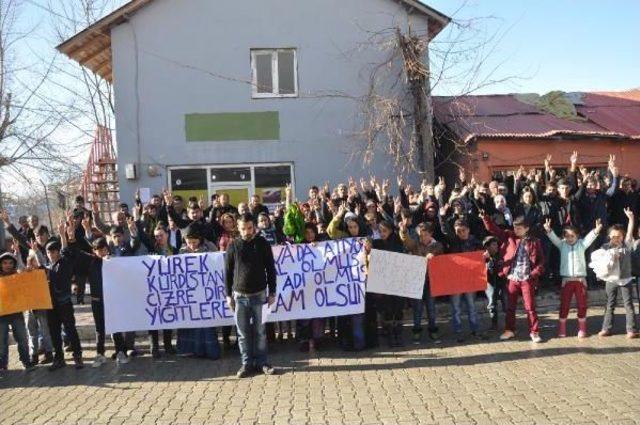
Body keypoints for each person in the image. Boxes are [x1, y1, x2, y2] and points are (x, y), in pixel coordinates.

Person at [224, 213, 277, 378]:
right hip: (239, 296)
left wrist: (272, 291)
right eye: (243, 229)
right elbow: (227, 272)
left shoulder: (262, 244)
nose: (246, 231)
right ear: (237, 229)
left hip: (260, 295)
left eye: (249, 228)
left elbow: (271, 269)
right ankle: (246, 363)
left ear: (254, 227)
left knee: (260, 332)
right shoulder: (233, 246)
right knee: (243, 333)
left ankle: (262, 363)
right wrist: (228, 295)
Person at [482, 214, 545, 343]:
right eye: (515, 227)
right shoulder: (509, 236)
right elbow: (494, 230)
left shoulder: (535, 242)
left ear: (526, 228)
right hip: (512, 278)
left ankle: (534, 332)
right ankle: (510, 330)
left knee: (530, 307)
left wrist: (533, 274)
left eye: (519, 228)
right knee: (510, 307)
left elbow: (541, 261)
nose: (516, 230)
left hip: (527, 279)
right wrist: (486, 218)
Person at [544, 218, 602, 338]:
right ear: (564, 237)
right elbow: (554, 239)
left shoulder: (582, 244)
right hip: (567, 280)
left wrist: (596, 230)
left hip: (580, 280)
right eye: (567, 236)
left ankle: (582, 329)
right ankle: (562, 328)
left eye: (572, 236)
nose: (570, 238)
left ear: (577, 236)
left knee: (582, 305)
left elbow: (589, 239)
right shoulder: (562, 245)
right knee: (564, 305)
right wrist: (549, 230)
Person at [591, 208, 639, 338]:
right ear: (609, 237)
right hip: (611, 280)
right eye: (613, 236)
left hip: (625, 280)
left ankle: (631, 330)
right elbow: (598, 261)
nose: (616, 238)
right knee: (609, 304)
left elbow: (630, 232)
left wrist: (631, 219)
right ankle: (606, 328)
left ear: (623, 237)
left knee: (628, 305)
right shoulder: (605, 247)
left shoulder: (627, 244)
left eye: (618, 236)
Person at [176, 225, 221, 360]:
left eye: (194, 242)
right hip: (190, 294)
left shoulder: (210, 247)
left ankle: (208, 350)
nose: (192, 246)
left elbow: (217, 264)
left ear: (200, 239)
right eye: (189, 242)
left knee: (206, 324)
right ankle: (190, 350)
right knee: (191, 323)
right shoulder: (182, 251)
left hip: (206, 292)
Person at [439, 207, 483, 342]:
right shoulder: (453, 240)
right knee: (456, 308)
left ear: (468, 230)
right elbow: (445, 230)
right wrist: (442, 216)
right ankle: (458, 330)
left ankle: (475, 330)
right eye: (458, 231)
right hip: (455, 281)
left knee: (471, 306)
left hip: (469, 280)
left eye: (463, 230)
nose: (461, 233)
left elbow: (480, 257)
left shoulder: (475, 242)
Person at [46, 219, 83, 370]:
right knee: (54, 333)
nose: (51, 254)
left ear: (58, 252)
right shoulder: (47, 267)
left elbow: (66, 251)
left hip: (64, 303)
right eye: (48, 252)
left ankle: (77, 357)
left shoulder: (65, 263)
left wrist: (63, 235)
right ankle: (59, 359)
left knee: (70, 330)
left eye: (54, 251)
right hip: (50, 305)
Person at [399, 221, 444, 344]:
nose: (423, 237)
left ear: (431, 234)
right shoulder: (415, 245)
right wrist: (403, 231)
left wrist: (433, 254)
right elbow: (407, 241)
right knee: (417, 308)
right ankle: (417, 331)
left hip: (431, 281)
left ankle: (433, 330)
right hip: (417, 280)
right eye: (420, 235)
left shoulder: (437, 245)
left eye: (425, 235)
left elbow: (440, 250)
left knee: (431, 307)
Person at [364, 220, 406, 347]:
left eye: (385, 231)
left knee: (398, 308)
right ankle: (389, 335)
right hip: (383, 283)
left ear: (391, 231)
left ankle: (398, 334)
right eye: (380, 231)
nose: (382, 234)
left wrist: (403, 231)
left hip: (397, 281)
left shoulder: (397, 241)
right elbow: (368, 250)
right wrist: (368, 246)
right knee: (386, 310)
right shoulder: (376, 243)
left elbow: (406, 243)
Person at [0, 251, 34, 371]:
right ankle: (2, 365)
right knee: (1, 343)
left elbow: (27, 274)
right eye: (4, 263)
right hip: (1, 315)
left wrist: (30, 272)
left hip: (16, 313)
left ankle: (26, 361)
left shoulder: (18, 276)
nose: (8, 265)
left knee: (22, 339)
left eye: (10, 263)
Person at [483, 236, 507, 332]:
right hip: (490, 283)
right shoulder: (483, 257)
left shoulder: (502, 255)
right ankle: (494, 324)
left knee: (506, 303)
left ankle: (509, 324)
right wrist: (487, 260)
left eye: (496, 244)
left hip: (502, 282)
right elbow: (489, 271)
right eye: (493, 244)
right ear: (487, 247)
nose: (496, 246)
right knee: (492, 304)